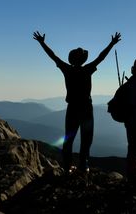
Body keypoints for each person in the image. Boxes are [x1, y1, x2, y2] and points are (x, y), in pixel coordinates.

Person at [33, 31, 121, 173]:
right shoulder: (87, 69)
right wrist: (112, 43)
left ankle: (67, 166)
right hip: (86, 107)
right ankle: (83, 165)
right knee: (86, 139)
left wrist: (42, 43)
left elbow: (53, 56)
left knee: (69, 137)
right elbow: (101, 57)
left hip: (72, 108)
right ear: (82, 60)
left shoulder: (67, 69)